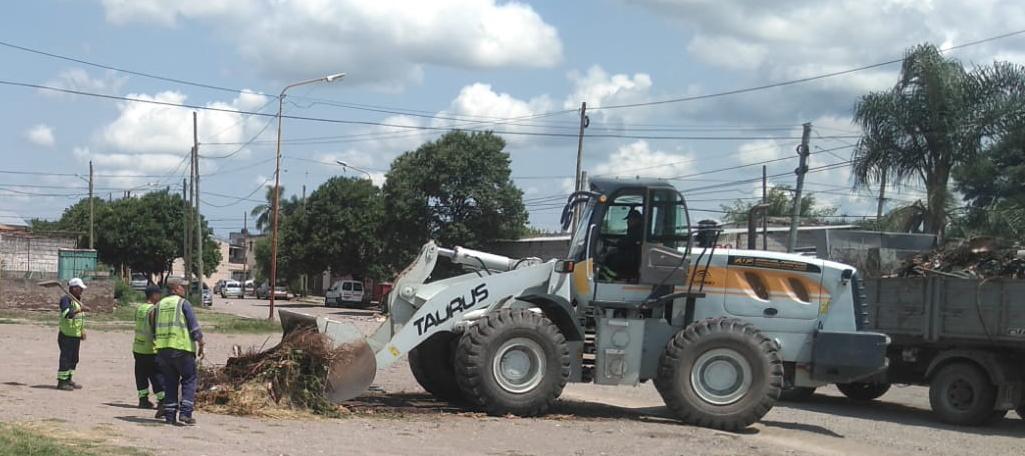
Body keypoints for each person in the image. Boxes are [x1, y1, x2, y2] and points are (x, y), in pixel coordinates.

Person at [151, 278, 205, 426]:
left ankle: (170, 415)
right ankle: (185, 413)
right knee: (189, 379)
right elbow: (193, 326)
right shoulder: (183, 303)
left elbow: (152, 326)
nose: (184, 290)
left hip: (162, 349)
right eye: (182, 287)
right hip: (182, 349)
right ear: (175, 288)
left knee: (170, 382)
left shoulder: (159, 305)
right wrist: (201, 342)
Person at [133, 285, 165, 412]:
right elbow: (155, 329)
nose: (160, 297)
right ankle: (162, 400)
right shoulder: (153, 310)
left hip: (137, 347)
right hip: (150, 348)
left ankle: (143, 399)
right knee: (156, 375)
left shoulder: (139, 308)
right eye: (159, 294)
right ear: (153, 295)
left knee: (141, 375)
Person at [57, 278, 89, 391]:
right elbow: (67, 314)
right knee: (66, 358)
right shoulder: (66, 299)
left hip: (75, 335)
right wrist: (80, 310)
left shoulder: (77, 299)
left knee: (74, 359)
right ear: (74, 288)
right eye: (80, 288)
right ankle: (62, 382)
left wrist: (82, 331)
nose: (82, 291)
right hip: (66, 335)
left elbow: (80, 319)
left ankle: (68, 379)